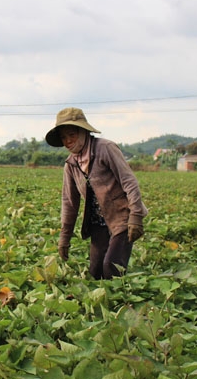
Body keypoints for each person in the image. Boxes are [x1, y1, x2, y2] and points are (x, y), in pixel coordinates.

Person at [45, 107, 148, 280]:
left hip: (122, 217)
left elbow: (128, 180)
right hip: (97, 221)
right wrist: (65, 237)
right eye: (64, 137)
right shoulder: (71, 164)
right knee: (95, 272)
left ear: (83, 131)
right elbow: (70, 202)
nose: (68, 141)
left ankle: (120, 301)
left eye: (72, 134)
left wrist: (136, 216)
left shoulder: (105, 148)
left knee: (111, 267)